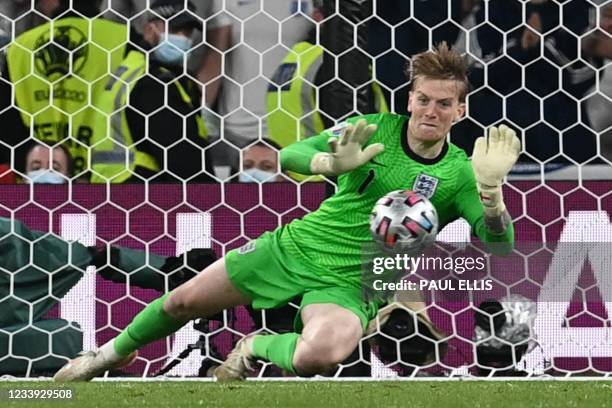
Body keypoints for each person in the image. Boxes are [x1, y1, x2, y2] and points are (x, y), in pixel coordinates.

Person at [53, 43, 520, 381]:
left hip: (353, 283)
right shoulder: (376, 127)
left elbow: (500, 243)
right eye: (423, 100)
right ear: (409, 99)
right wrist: (331, 163)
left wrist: (493, 195)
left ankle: (252, 345)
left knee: (322, 354)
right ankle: (107, 357)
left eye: (443, 104)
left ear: (460, 110)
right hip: (293, 249)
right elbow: (292, 154)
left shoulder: (461, 172)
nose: (430, 111)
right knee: (182, 301)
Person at [0, 0, 129, 179]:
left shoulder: (20, 47)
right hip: (108, 185)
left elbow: (8, 125)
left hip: (36, 186)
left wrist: (36, 168)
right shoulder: (125, 39)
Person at [89, 0, 214, 184]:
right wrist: (213, 198)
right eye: (173, 30)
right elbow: (181, 158)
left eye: (187, 32)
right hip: (143, 191)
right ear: (149, 29)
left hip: (116, 187)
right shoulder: (154, 82)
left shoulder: (131, 69)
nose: (182, 37)